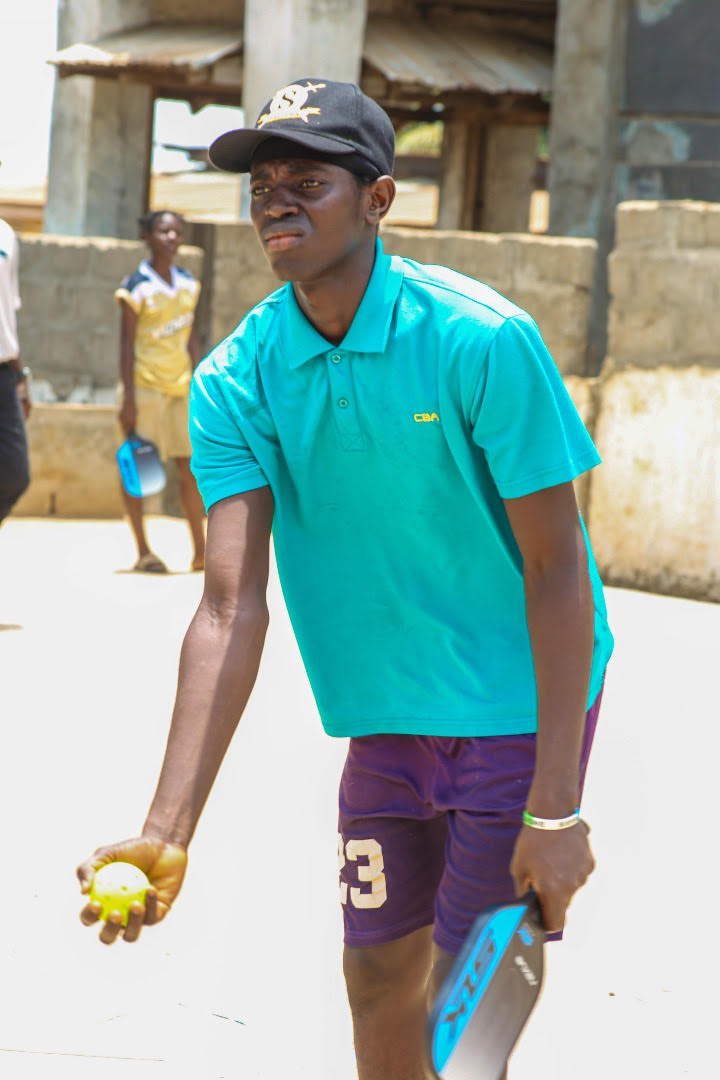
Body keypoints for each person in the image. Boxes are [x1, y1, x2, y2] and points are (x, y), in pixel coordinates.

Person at [78, 80, 614, 1080]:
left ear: (378, 198)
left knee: (468, 1009)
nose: (277, 200)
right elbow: (229, 603)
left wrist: (556, 809)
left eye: (308, 180)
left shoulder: (479, 340)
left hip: (514, 705)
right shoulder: (236, 380)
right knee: (375, 981)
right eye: (263, 184)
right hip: (387, 720)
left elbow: (557, 567)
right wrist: (164, 831)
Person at [116, 209, 206, 572]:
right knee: (140, 468)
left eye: (176, 232)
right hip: (146, 387)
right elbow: (125, 344)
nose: (171, 237)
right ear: (149, 237)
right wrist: (128, 400)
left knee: (190, 469)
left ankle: (201, 550)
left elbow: (191, 339)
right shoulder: (137, 285)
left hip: (180, 388)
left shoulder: (188, 283)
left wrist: (199, 382)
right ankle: (143, 551)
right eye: (163, 231)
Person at [0, 213, 30, 524]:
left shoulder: (5, 234)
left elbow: (7, 313)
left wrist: (21, 377)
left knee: (15, 474)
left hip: (3, 372)